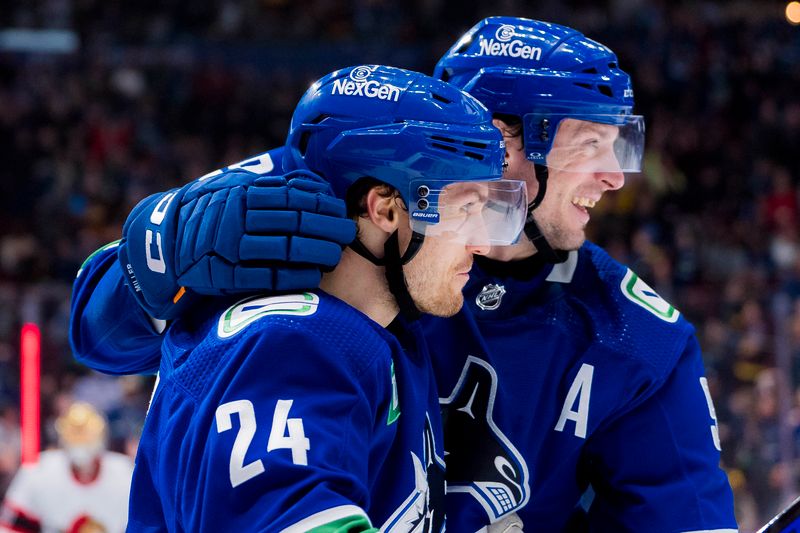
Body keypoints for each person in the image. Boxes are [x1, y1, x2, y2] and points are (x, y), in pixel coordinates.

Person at [69, 18, 738, 532]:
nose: (618, 175)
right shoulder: (313, 213)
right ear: (504, 139)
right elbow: (99, 337)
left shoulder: (640, 337)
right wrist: (173, 236)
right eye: (594, 143)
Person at [119, 65, 526, 531]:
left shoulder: (383, 334)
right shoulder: (295, 340)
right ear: (386, 208)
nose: (481, 242)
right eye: (467, 209)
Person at [0, 402, 133, 533]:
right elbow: (10, 527)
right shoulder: (38, 471)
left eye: (86, 435)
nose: (81, 439)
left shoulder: (126, 473)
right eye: (74, 434)